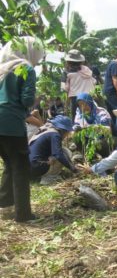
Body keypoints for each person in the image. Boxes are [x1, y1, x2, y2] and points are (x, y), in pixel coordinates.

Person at [0, 36, 45, 222]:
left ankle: (4, 206)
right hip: (10, 122)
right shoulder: (25, 68)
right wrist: (34, 101)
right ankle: (24, 215)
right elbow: (26, 99)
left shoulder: (2, 69)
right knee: (20, 167)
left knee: (9, 164)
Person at [29, 115, 77, 185]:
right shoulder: (55, 134)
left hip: (26, 167)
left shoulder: (43, 130)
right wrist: (73, 169)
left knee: (56, 153)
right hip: (36, 167)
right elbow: (58, 155)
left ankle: (35, 177)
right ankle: (50, 178)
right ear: (64, 130)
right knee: (65, 152)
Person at [73, 92, 115, 157]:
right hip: (89, 139)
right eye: (80, 105)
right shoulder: (79, 114)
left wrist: (95, 127)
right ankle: (88, 156)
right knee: (76, 136)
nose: (83, 107)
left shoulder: (101, 112)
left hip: (105, 139)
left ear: (90, 103)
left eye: (85, 104)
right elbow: (76, 126)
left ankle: (105, 156)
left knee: (98, 143)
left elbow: (109, 130)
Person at [63, 49, 96, 119]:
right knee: (90, 117)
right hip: (88, 96)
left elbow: (66, 89)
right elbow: (94, 82)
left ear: (69, 62)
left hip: (75, 98)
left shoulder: (67, 73)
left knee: (75, 119)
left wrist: (66, 105)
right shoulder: (88, 70)